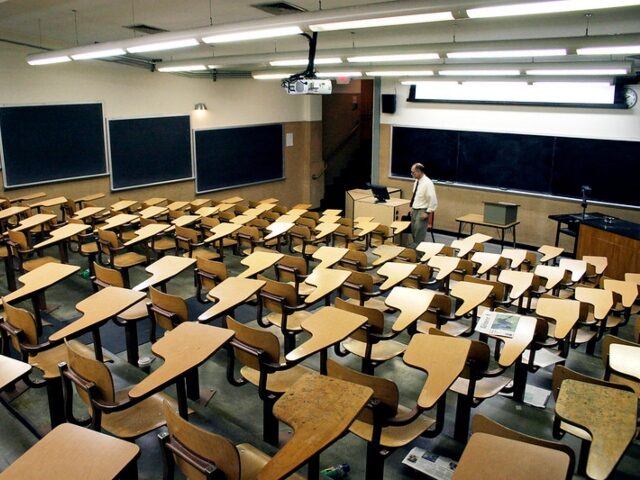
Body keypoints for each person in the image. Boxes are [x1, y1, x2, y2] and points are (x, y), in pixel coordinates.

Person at [409, 162, 438, 245]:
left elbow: (433, 200)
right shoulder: (417, 181)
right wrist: (412, 207)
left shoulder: (428, 183)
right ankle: (415, 253)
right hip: (415, 209)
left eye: (413, 172)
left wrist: (427, 212)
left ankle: (419, 256)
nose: (412, 174)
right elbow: (416, 196)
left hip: (422, 210)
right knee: (414, 232)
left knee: (419, 234)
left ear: (419, 171)